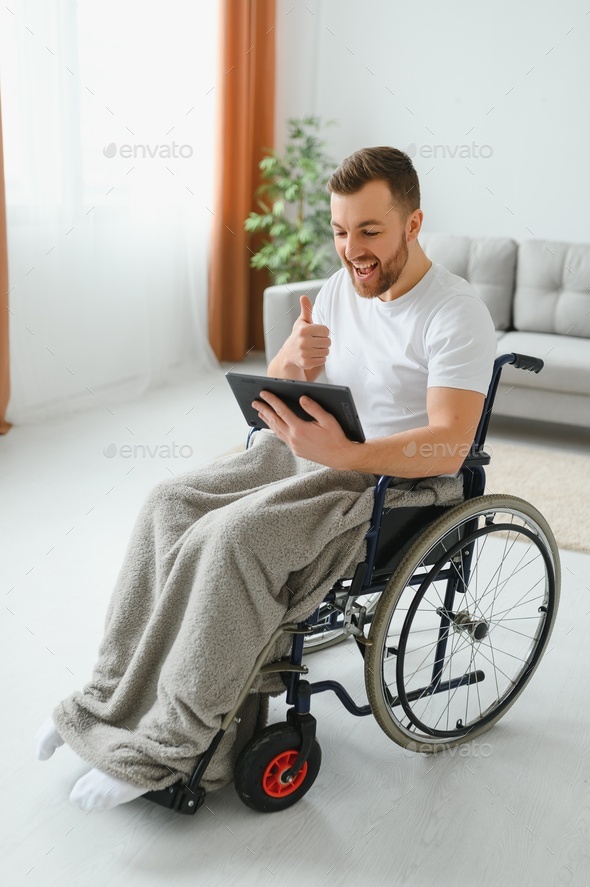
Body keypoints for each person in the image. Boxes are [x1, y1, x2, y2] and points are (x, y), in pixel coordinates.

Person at [35, 146, 497, 812]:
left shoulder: (455, 313)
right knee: (169, 503)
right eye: (340, 231)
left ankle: (168, 744)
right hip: (313, 451)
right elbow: (278, 387)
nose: (352, 250)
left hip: (389, 480)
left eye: (369, 231)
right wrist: (292, 357)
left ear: (413, 223)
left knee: (228, 537)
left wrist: (343, 452)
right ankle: (104, 699)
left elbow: (450, 444)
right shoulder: (342, 288)